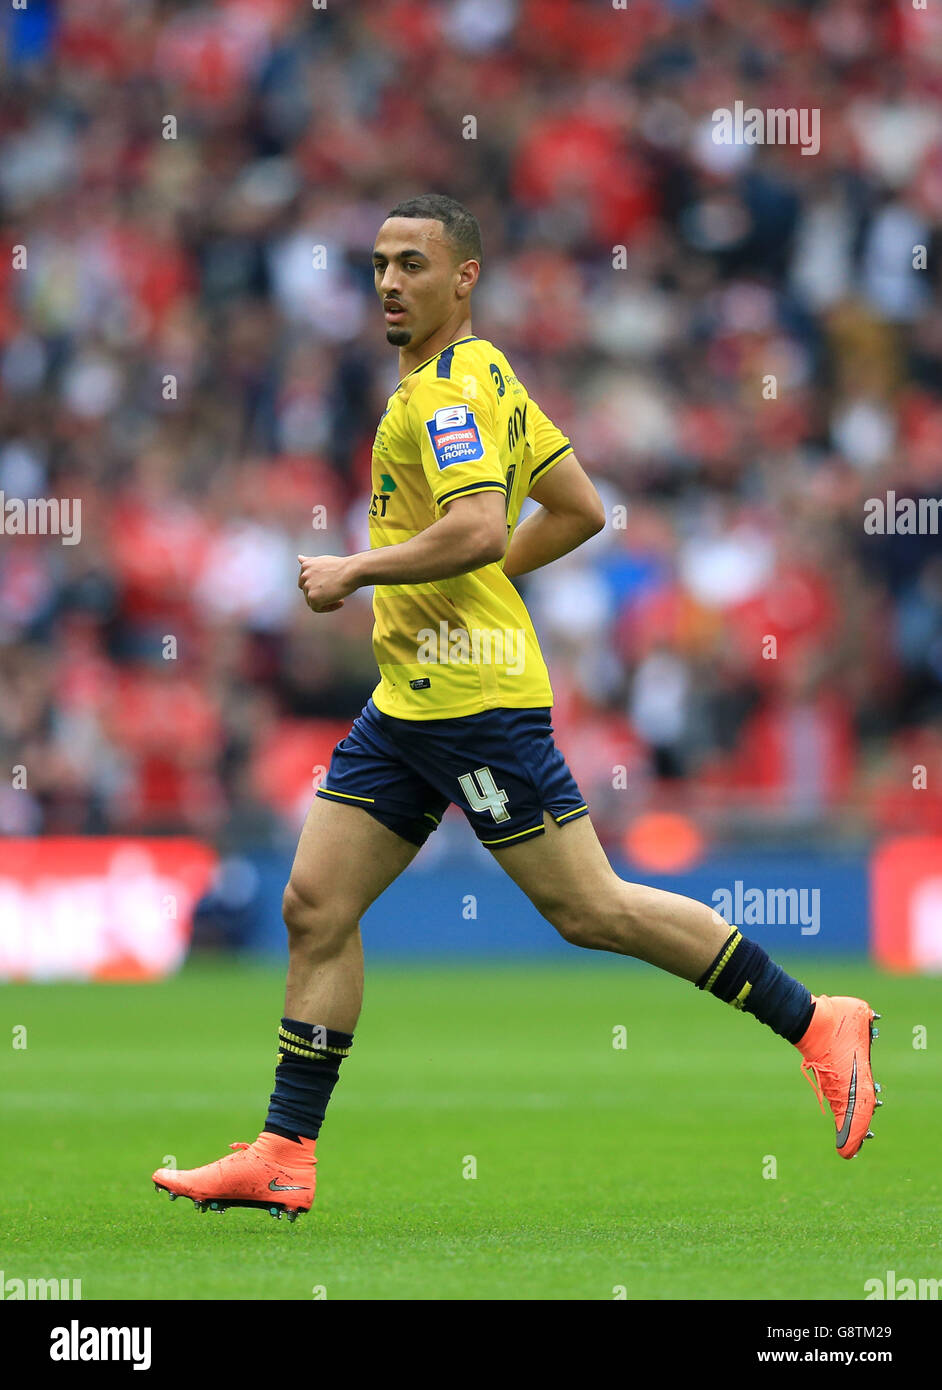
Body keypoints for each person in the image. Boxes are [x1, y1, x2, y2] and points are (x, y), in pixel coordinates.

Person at [153, 195, 881, 1222]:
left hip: (476, 707)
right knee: (313, 904)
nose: (389, 283)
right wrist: (477, 589)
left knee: (592, 908)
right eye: (378, 264)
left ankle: (816, 1021)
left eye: (413, 263)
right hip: (410, 703)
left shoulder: (442, 399)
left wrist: (358, 570)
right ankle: (285, 1149)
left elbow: (479, 525)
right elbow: (579, 510)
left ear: (465, 279)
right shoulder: (485, 369)